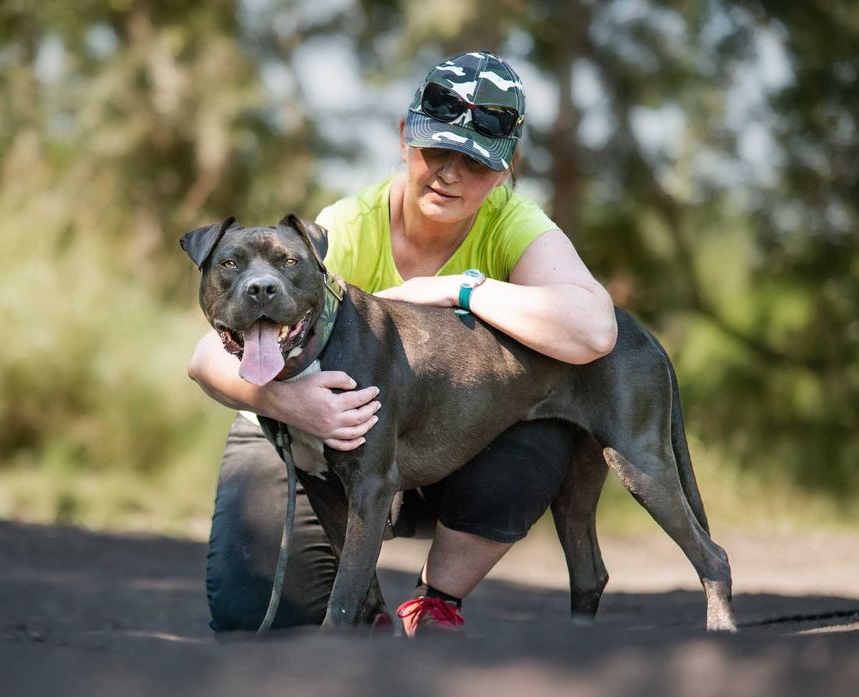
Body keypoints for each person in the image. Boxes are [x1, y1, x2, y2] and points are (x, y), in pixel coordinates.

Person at [188, 50, 617, 637]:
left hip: (447, 444)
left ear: (507, 167)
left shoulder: (514, 225)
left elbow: (594, 330)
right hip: (324, 438)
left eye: (475, 161)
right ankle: (366, 612)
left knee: (541, 432)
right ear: (403, 139)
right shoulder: (344, 227)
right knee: (252, 615)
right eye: (435, 150)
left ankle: (435, 598)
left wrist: (455, 288)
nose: (449, 174)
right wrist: (289, 402)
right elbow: (205, 355)